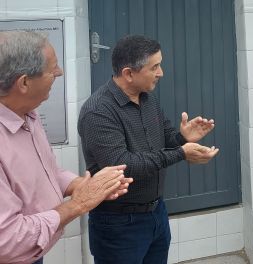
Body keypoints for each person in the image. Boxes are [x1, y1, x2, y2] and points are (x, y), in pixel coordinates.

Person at [78, 35, 219, 264]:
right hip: (118, 224)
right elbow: (124, 166)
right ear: (128, 73)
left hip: (156, 214)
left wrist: (183, 138)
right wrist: (181, 153)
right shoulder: (98, 112)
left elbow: (165, 141)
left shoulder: (148, 100)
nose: (161, 73)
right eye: (154, 67)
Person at [0, 30, 131, 264]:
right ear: (24, 82)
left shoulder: (27, 114)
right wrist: (78, 205)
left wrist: (82, 186)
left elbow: (46, 171)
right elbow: (8, 240)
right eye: (52, 69)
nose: (59, 72)